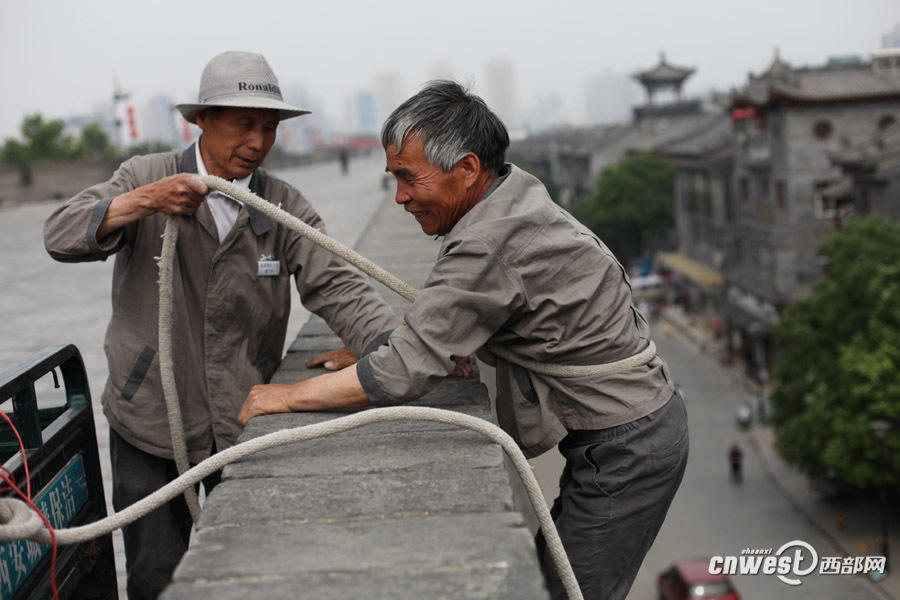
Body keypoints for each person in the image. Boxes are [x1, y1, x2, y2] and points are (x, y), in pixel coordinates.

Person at [238, 81, 689, 600]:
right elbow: (457, 318)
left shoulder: (486, 240)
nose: (401, 197)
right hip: (631, 430)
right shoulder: (512, 194)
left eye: (409, 178)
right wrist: (383, 347)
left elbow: (399, 373)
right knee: (551, 578)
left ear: (469, 169)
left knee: (570, 591)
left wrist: (286, 396)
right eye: (394, 179)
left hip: (628, 445)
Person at [43, 51, 398, 599]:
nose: (258, 141)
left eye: (270, 127)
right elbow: (60, 234)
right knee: (153, 575)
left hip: (241, 420)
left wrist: (393, 347)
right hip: (149, 421)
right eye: (244, 123)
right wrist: (146, 202)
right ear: (202, 119)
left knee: (251, 567)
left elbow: (339, 285)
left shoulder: (283, 206)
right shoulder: (145, 175)